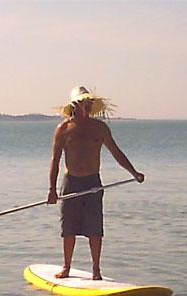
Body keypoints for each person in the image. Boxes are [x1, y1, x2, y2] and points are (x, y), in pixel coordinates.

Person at [47, 86, 144, 280]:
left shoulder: (100, 128)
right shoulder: (64, 129)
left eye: (90, 102)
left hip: (93, 182)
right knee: (68, 227)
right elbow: (55, 160)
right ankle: (66, 267)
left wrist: (134, 172)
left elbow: (116, 152)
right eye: (85, 102)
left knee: (95, 228)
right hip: (71, 182)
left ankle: (96, 270)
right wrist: (51, 189)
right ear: (75, 105)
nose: (89, 105)